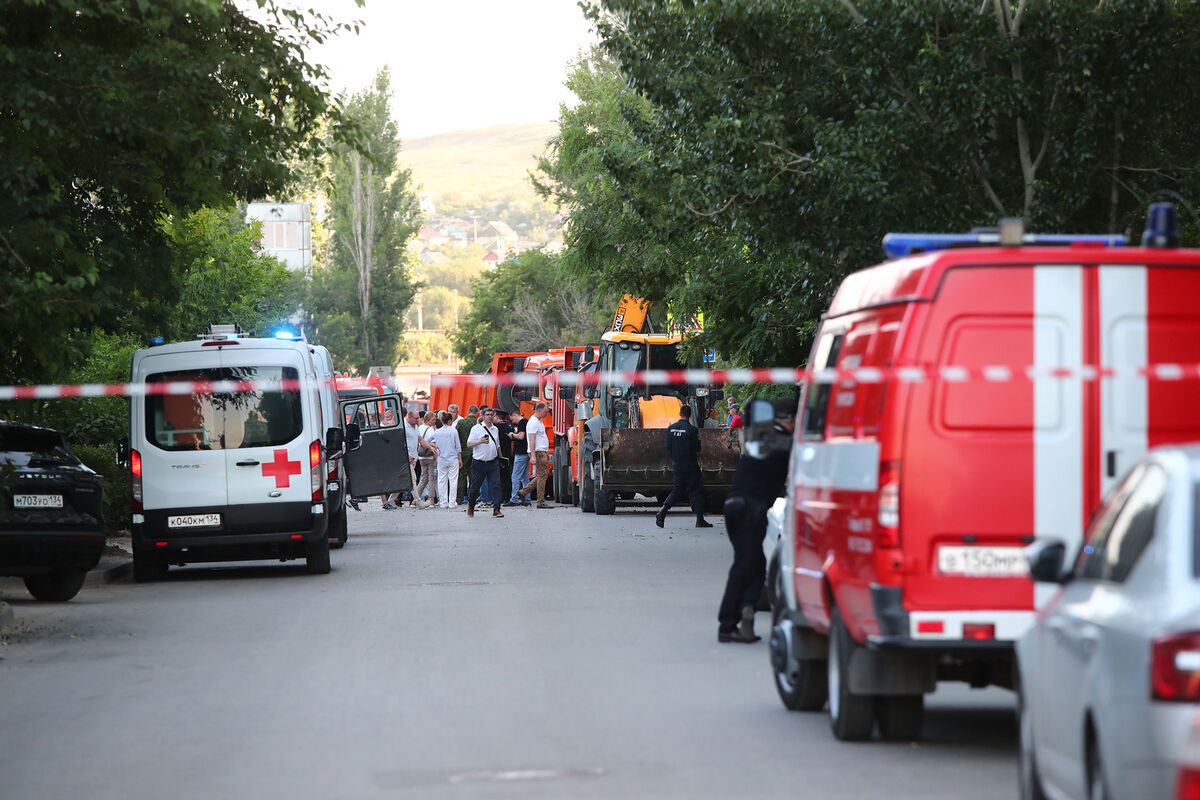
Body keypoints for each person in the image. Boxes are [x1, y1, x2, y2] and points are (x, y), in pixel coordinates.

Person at [718, 396, 796, 644]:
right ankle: (728, 623)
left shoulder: (760, 438)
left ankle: (747, 611)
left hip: (735, 507)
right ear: (791, 420)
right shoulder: (785, 442)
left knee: (755, 563)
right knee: (744, 565)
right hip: (750, 510)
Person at [655, 405, 712, 528]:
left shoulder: (671, 428)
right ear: (690, 414)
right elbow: (697, 448)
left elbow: (668, 447)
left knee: (677, 490)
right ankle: (699, 519)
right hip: (690, 465)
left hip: (677, 465)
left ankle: (663, 511)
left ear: (679, 413)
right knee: (697, 490)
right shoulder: (692, 430)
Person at [465, 407, 504, 517]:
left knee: (496, 485)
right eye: (487, 415)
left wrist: (501, 458)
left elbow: (498, 445)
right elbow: (468, 444)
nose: (490, 417)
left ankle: (497, 509)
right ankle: (471, 506)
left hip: (493, 462)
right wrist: (480, 441)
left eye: (492, 414)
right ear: (482, 416)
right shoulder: (476, 428)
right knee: (475, 487)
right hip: (479, 462)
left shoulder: (495, 429)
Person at [516, 403, 551, 508]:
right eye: (545, 412)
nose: (546, 414)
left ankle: (523, 492)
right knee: (542, 476)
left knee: (542, 475)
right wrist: (533, 455)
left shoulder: (538, 422)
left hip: (541, 451)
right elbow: (532, 439)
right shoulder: (533, 423)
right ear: (539, 411)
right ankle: (541, 501)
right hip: (538, 452)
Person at [430, 411, 462, 508]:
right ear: (450, 421)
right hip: (453, 459)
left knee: (442, 480)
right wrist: (460, 459)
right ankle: (452, 502)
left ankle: (443, 502)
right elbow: (458, 447)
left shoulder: (437, 432)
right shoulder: (454, 431)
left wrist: (435, 446)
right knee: (453, 481)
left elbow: (427, 440)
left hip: (442, 459)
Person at [505, 409, 530, 506]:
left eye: (512, 419)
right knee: (524, 477)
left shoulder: (522, 422)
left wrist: (512, 435)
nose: (512, 421)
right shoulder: (525, 422)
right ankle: (526, 498)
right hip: (525, 452)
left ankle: (514, 498)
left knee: (515, 476)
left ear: (515, 415)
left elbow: (521, 436)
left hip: (521, 453)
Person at [415, 410, 439, 507]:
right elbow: (433, 443)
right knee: (431, 478)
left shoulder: (419, 428)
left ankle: (415, 499)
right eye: (433, 419)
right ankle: (431, 500)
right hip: (429, 456)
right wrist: (436, 456)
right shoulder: (430, 429)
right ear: (428, 419)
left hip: (421, 456)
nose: (434, 421)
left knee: (423, 478)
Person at [455, 405, 477, 502]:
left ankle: (459, 498)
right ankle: (472, 498)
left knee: (462, 475)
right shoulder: (478, 423)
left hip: (463, 452)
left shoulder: (461, 422)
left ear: (468, 411)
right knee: (474, 476)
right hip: (475, 452)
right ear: (477, 413)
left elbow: (455, 437)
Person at [494, 407, 515, 505]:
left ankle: (503, 497)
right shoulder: (509, 425)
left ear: (497, 417)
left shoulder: (497, 427)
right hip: (509, 455)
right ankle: (508, 496)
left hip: (501, 454)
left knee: (501, 478)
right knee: (508, 476)